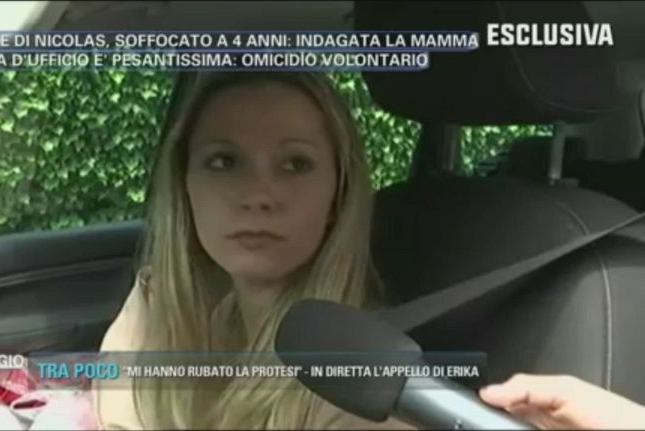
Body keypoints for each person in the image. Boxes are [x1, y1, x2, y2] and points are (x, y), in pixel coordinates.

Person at [92, 71, 645, 430]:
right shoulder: (159, 307)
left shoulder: (362, 382)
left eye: (295, 164)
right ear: (184, 187)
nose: (257, 194)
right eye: (223, 161)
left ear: (338, 193)